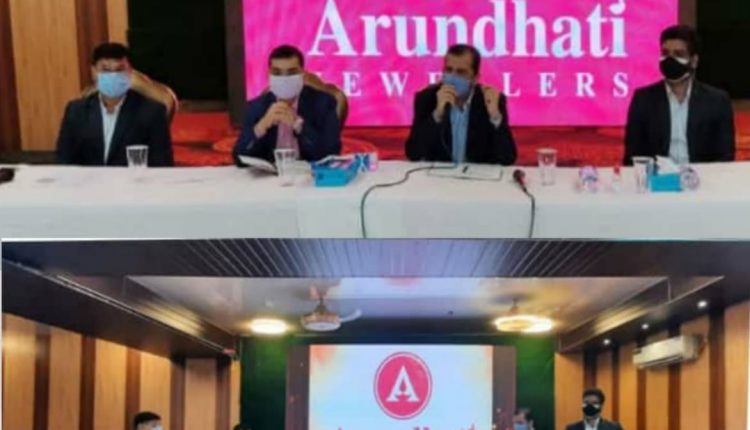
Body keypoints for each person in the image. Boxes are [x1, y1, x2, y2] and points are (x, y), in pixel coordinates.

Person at [623, 25, 735, 165]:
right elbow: (633, 157)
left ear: (694, 61)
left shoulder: (717, 101)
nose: (670, 60)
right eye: (665, 53)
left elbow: (725, 157)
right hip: (657, 176)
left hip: (702, 176)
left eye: (679, 54)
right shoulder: (643, 99)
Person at [56, 42, 174, 167]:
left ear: (130, 72)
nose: (113, 76)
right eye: (106, 70)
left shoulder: (151, 112)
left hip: (133, 179)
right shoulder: (76, 111)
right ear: (93, 72)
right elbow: (64, 160)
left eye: (119, 70)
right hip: (88, 179)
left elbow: (162, 164)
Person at [405, 44, 516, 165]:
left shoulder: (490, 100)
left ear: (475, 78)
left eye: (461, 72)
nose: (453, 77)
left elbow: (508, 158)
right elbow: (413, 153)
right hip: (439, 175)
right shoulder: (427, 98)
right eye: (448, 70)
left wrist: (495, 117)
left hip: (477, 175)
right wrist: (437, 115)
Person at [233, 45, 341, 164]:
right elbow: (239, 158)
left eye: (291, 72)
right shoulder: (256, 107)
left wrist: (298, 125)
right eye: (277, 73)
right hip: (270, 174)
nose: (284, 78)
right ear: (269, 74)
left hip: (309, 172)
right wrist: (261, 126)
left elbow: (331, 154)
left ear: (302, 73)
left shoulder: (323, 103)